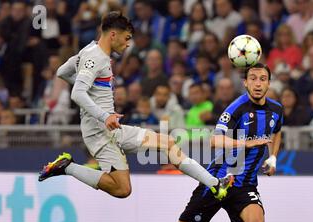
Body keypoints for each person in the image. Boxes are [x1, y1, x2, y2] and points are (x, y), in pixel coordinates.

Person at [38, 12, 233, 201]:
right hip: (100, 133)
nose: (128, 43)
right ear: (113, 34)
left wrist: (94, 98)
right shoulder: (95, 57)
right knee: (122, 189)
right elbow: (77, 93)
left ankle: (215, 184)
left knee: (168, 143)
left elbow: (62, 72)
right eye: (126, 37)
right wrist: (104, 115)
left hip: (112, 130)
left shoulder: (88, 50)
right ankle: (67, 167)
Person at [123, 63, 282, 222]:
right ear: (245, 83)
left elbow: (276, 131)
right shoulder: (236, 109)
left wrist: (273, 157)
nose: (258, 83)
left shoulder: (276, 110)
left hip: (245, 183)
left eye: (263, 79)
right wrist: (246, 143)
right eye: (253, 79)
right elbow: (215, 141)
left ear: (269, 82)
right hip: (218, 181)